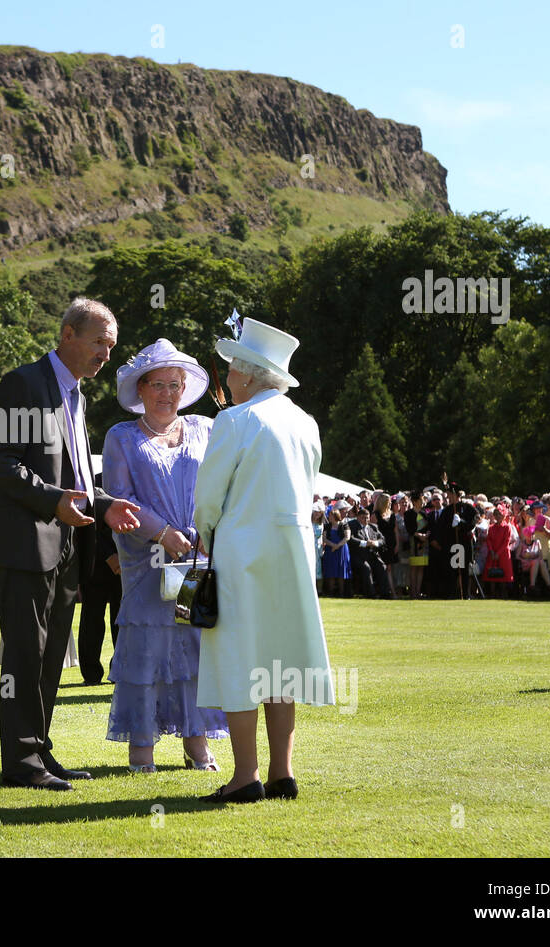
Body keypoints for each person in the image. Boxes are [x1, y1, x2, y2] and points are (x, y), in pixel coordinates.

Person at [0, 297, 141, 791]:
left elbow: (73, 473)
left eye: (111, 346)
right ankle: (22, 764)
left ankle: (40, 755)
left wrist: (105, 502)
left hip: (68, 546)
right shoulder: (23, 383)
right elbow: (0, 461)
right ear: (67, 334)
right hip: (26, 544)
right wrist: (53, 502)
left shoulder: (77, 394)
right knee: (26, 656)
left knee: (52, 657)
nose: (105, 355)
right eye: (99, 342)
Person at [193, 317, 331, 804]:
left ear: (248, 375)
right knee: (280, 664)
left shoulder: (235, 421)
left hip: (241, 554)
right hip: (292, 554)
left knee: (238, 658)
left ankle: (245, 776)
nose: (226, 378)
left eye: (231, 369)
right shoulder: (306, 423)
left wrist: (205, 533)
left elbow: (208, 497)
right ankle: (282, 772)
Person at [100, 338, 229, 772]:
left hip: (196, 560)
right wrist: (162, 534)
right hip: (145, 560)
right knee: (147, 649)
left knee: (192, 644)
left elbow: (220, 486)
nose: (167, 394)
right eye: (158, 384)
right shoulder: (121, 437)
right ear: (140, 389)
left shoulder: (204, 428)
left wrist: (211, 530)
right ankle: (142, 750)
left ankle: (197, 745)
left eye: (176, 385)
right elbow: (119, 497)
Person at [78, 471, 122, 686]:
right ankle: (91, 673)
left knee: (120, 620)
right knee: (92, 620)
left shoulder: (131, 478)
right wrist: (108, 555)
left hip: (125, 563)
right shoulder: (94, 482)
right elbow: (87, 523)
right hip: (95, 563)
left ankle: (119, 669)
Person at [482, 503, 515, 597]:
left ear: (504, 515)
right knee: (491, 574)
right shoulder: (491, 527)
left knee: (504, 575)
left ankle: (503, 594)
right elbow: (489, 540)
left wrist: (498, 553)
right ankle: (492, 594)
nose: (497, 516)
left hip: (503, 554)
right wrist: (492, 551)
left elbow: (506, 541)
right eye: (496, 514)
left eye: (499, 514)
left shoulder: (507, 527)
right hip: (492, 553)